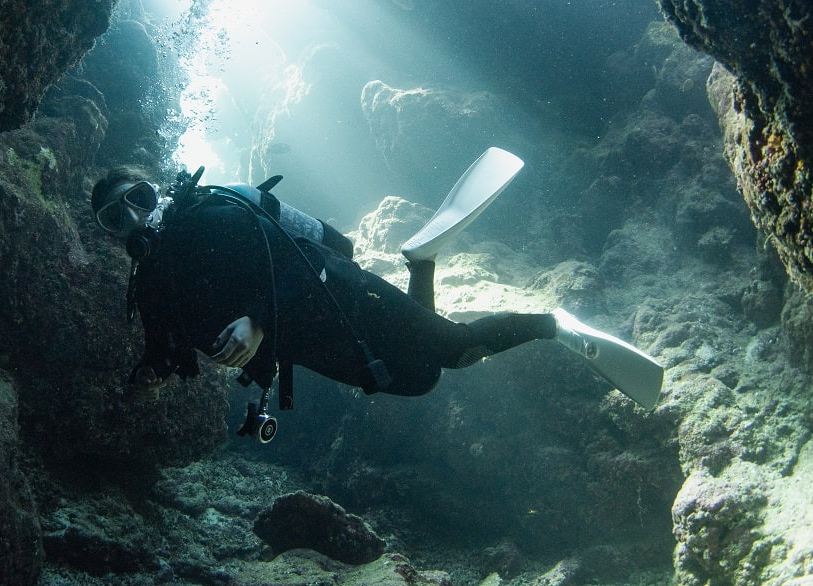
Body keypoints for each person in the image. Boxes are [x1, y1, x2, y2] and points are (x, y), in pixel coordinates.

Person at [91, 164, 662, 431]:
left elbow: (295, 259)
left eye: (139, 197)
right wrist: (149, 374)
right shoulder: (152, 285)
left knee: (457, 350)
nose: (136, 215)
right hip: (309, 345)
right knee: (418, 379)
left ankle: (553, 323)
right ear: (113, 232)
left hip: (338, 292)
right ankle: (422, 261)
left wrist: (257, 322)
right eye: (116, 216)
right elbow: (166, 351)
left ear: (157, 189)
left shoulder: (212, 217)